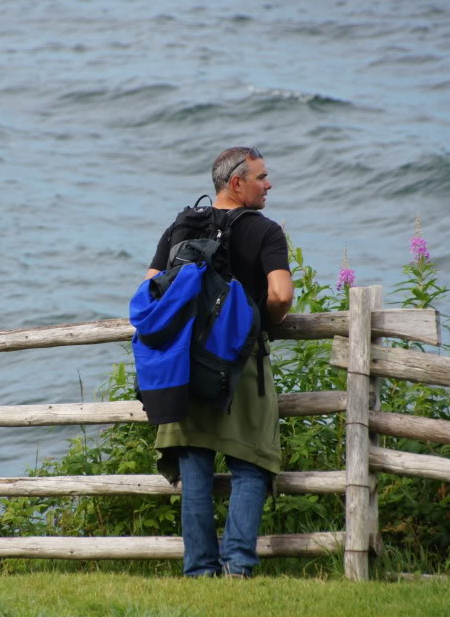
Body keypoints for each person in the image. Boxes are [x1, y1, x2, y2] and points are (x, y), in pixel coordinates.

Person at [143, 146, 293, 578]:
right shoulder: (264, 231)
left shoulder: (181, 227)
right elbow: (281, 294)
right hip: (240, 362)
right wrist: (261, 321)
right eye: (262, 177)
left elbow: (151, 290)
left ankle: (200, 570)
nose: (269, 185)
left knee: (195, 466)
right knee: (252, 463)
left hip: (185, 363)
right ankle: (239, 566)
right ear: (236, 183)